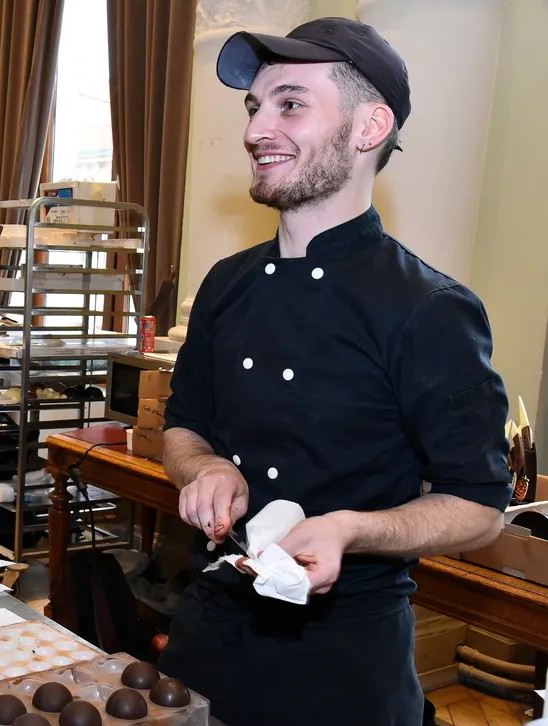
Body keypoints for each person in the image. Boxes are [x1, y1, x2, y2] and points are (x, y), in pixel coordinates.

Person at [156, 18, 511, 726]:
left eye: (290, 104)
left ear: (369, 127)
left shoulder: (430, 309)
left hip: (345, 663)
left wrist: (350, 528)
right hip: (207, 629)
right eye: (255, 107)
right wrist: (203, 467)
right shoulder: (226, 284)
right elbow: (182, 426)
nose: (256, 130)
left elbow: (479, 505)